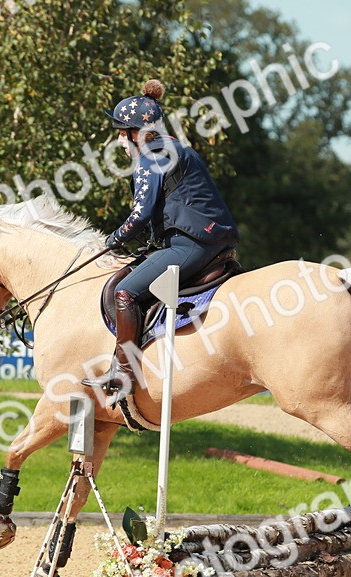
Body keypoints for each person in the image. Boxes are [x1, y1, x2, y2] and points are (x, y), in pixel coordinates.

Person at [83, 79, 240, 405]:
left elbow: (141, 214)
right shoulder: (177, 148)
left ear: (133, 132)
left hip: (191, 244)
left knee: (125, 291)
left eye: (120, 132)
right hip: (205, 240)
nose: (118, 141)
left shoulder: (152, 156)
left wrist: (111, 241)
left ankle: (124, 373)